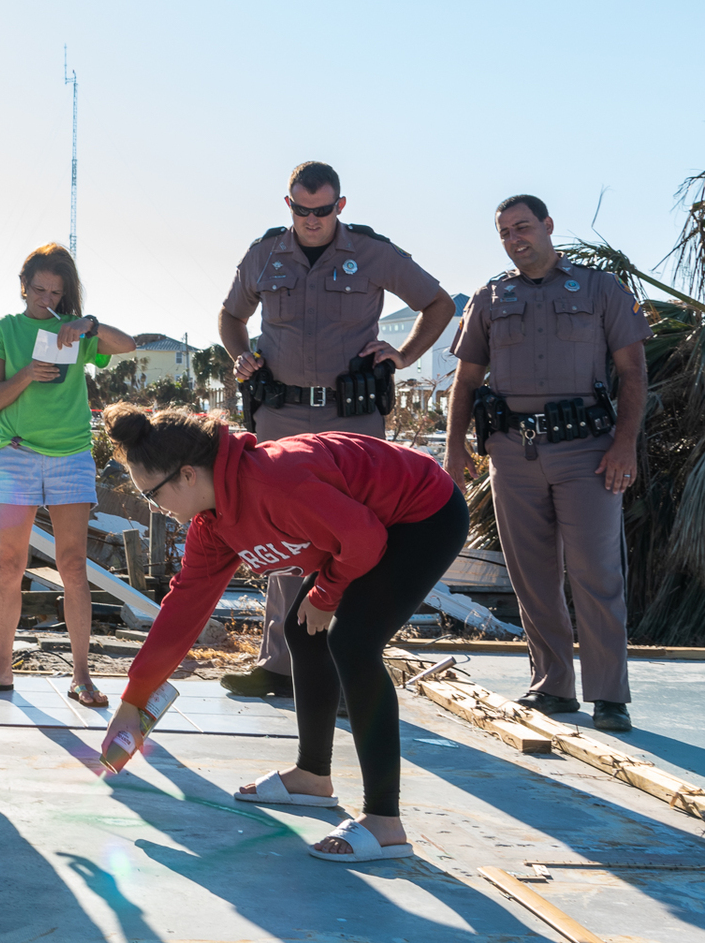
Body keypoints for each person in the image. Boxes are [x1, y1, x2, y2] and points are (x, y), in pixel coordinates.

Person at [100, 406, 467, 862]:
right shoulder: (213, 524)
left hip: (423, 514)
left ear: (188, 475)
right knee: (302, 630)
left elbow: (365, 541)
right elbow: (182, 611)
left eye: (153, 495)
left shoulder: (276, 481)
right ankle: (313, 778)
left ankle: (384, 823)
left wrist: (328, 591)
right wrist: (134, 701)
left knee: (352, 643)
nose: (157, 508)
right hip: (369, 528)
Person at [217, 160, 455, 699]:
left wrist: (403, 354)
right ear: (289, 206)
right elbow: (231, 317)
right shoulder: (264, 254)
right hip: (280, 416)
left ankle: (347, 668)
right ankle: (280, 666)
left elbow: (437, 303)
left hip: (351, 424)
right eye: (302, 210)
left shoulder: (371, 253)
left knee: (355, 537)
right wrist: (240, 355)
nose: (311, 219)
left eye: (322, 210)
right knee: (280, 535)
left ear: (340, 206)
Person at [445, 195, 650, 732]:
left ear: (548, 225)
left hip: (589, 451)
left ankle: (609, 696)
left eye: (524, 227)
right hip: (513, 454)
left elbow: (633, 372)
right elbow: (465, 382)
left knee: (596, 572)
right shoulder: (490, 298)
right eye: (505, 231)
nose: (516, 238)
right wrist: (452, 448)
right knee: (532, 577)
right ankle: (553, 687)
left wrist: (624, 443)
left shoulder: (601, 288)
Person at [0, 244, 136, 706]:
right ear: (23, 286)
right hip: (16, 457)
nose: (46, 299)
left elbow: (130, 345)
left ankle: (82, 677)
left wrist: (90, 325)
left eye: (56, 292)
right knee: (10, 566)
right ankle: (1, 670)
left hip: (71, 457)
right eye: (39, 289)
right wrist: (28, 374)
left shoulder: (74, 331)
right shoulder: (0, 329)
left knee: (73, 566)